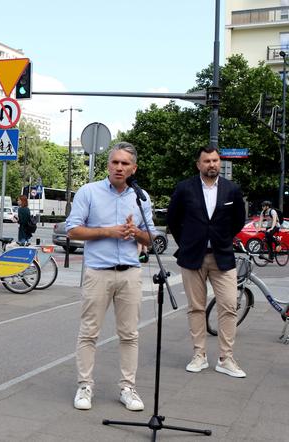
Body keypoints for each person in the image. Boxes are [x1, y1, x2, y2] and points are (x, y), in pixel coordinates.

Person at [66, 142, 155, 412]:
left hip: (129, 273)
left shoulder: (141, 197)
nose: (119, 167)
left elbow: (152, 238)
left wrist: (135, 233)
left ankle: (128, 388)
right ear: (108, 165)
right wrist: (108, 231)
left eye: (125, 163)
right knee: (89, 332)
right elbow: (72, 230)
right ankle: (85, 386)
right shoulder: (89, 192)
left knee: (129, 334)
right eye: (115, 162)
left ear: (133, 168)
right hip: (98, 273)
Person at [167, 146, 246, 378]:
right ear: (198, 164)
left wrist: (222, 238)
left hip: (222, 255)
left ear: (219, 163)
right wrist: (187, 243)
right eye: (207, 161)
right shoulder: (184, 188)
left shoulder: (231, 189)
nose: (212, 164)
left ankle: (226, 358)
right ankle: (199, 355)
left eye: (215, 160)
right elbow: (173, 219)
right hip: (193, 256)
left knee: (229, 305)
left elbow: (238, 221)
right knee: (196, 307)